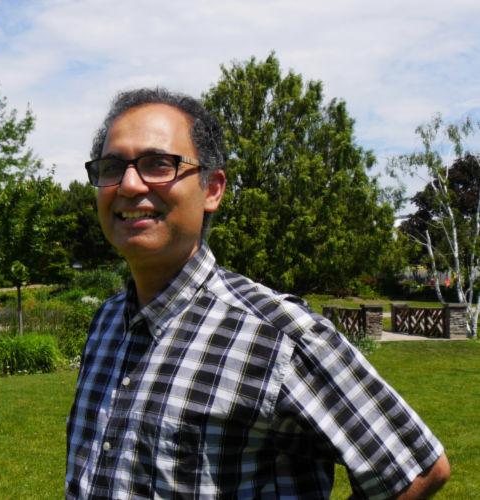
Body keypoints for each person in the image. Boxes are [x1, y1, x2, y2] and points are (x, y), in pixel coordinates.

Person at [65, 87, 450, 499]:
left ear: (212, 188)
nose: (127, 184)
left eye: (159, 164)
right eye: (111, 167)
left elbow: (415, 468)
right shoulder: (107, 323)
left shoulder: (277, 335)